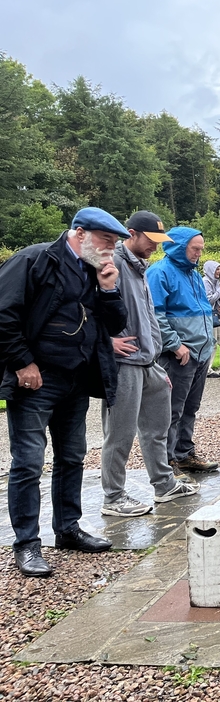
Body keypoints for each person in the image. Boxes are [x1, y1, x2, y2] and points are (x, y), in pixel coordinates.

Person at [0, 208, 128, 577]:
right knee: (28, 461)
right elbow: (4, 314)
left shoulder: (96, 270)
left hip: (76, 379)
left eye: (115, 244)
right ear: (79, 232)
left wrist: (109, 290)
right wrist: (23, 362)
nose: (111, 250)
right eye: (106, 242)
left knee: (72, 456)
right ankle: (26, 543)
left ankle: (68, 530)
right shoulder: (34, 259)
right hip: (36, 380)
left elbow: (115, 325)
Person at [100, 211, 200, 518]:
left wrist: (156, 357)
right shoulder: (112, 263)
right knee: (120, 433)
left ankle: (164, 484)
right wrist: (106, 342)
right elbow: (88, 306)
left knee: (158, 426)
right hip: (124, 362)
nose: (155, 247)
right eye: (150, 240)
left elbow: (148, 315)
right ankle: (113, 497)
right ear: (132, 234)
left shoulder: (140, 267)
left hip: (148, 361)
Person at [146, 227, 219, 474]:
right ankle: (168, 462)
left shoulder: (194, 274)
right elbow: (155, 314)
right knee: (172, 410)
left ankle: (185, 453)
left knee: (190, 407)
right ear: (179, 247)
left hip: (200, 352)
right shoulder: (160, 272)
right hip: (179, 355)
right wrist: (175, 345)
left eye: (201, 249)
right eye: (194, 248)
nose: (199, 253)